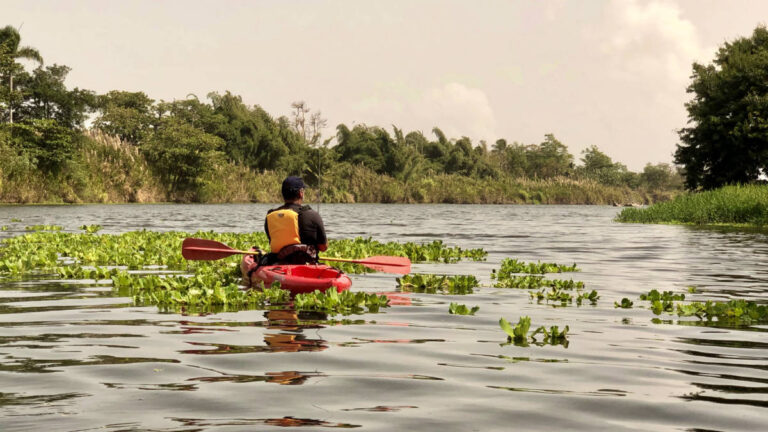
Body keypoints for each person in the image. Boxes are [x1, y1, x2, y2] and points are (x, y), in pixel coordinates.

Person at [263, 176, 327, 264]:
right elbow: (323, 247)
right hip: (307, 265)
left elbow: (272, 240)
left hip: (279, 264)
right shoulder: (313, 215)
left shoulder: (270, 215)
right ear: (301, 193)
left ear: (283, 194)